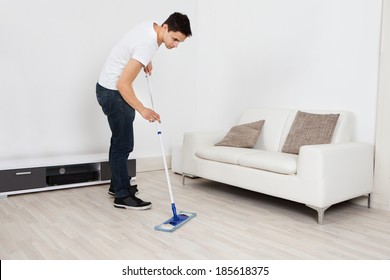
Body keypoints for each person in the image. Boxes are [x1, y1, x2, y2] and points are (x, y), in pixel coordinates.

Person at [96, 12, 192, 210]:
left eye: (179, 42)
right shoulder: (147, 44)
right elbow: (123, 84)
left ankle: (117, 185)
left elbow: (134, 48)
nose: (175, 45)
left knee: (119, 141)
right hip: (114, 93)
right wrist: (143, 109)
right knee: (123, 145)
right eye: (175, 39)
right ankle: (122, 197)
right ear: (165, 28)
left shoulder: (151, 27)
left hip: (107, 89)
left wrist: (144, 60)